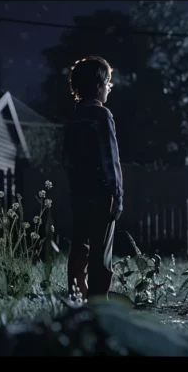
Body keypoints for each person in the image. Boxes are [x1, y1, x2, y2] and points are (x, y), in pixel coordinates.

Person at [61, 56, 123, 300]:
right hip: (102, 192)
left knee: (80, 246)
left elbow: (66, 160)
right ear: (98, 85)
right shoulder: (102, 116)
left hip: (79, 192)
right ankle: (98, 300)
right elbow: (111, 159)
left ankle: (77, 296)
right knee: (101, 249)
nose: (110, 87)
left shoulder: (73, 119)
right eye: (108, 82)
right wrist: (117, 196)